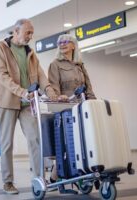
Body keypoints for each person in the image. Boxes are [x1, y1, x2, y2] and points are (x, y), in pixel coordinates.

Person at [0, 18, 57, 194]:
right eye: (28, 32)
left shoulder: (30, 52)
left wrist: (50, 90)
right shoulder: (1, 48)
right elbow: (2, 76)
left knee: (35, 138)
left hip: (27, 103)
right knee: (6, 144)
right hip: (7, 102)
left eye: (31, 33)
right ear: (16, 31)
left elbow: (41, 75)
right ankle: (7, 182)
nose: (30, 36)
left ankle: (38, 179)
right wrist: (22, 92)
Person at [48, 34, 96, 183]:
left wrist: (94, 103)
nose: (61, 44)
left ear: (73, 45)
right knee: (69, 143)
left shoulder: (80, 65)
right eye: (59, 42)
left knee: (84, 141)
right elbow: (53, 87)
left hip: (82, 108)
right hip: (65, 110)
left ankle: (82, 172)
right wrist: (58, 96)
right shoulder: (55, 64)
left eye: (65, 42)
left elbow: (88, 87)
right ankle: (54, 176)